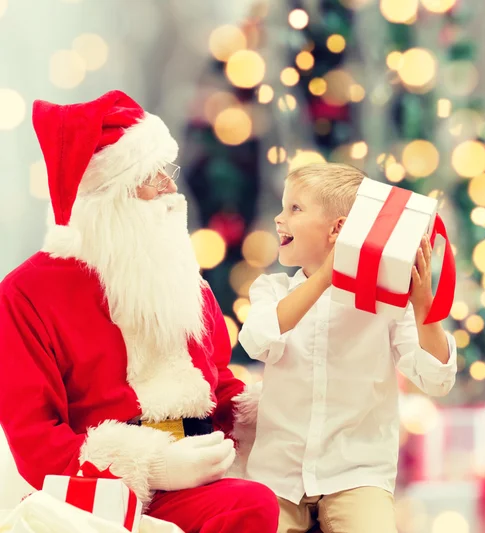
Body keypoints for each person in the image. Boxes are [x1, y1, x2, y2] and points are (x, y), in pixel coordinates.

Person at [0, 91, 278, 533]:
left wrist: (273, 407)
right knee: (251, 506)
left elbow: (215, 384)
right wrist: (153, 465)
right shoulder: (26, 294)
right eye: (151, 177)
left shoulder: (180, 280)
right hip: (101, 498)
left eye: (168, 172)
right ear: (108, 197)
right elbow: (37, 443)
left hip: (203, 478)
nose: (171, 189)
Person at [238, 162, 458, 533]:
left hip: (357, 473)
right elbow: (256, 340)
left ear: (338, 229)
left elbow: (437, 379)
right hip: (278, 475)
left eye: (295, 208)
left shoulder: (387, 304)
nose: (279, 219)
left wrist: (423, 307)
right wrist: (326, 277)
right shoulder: (272, 290)